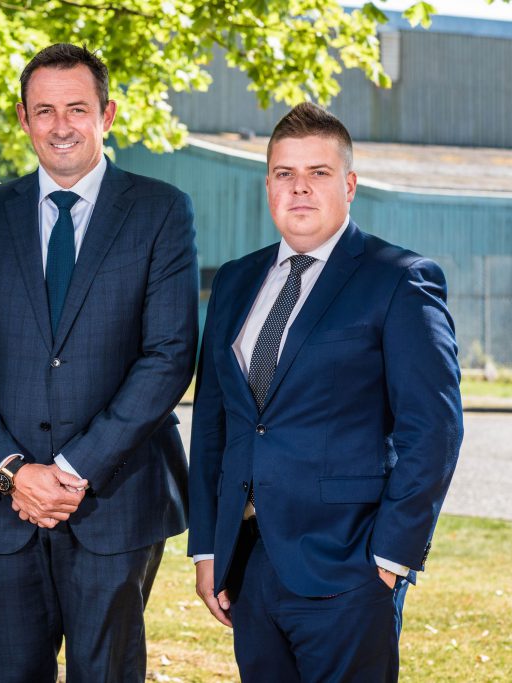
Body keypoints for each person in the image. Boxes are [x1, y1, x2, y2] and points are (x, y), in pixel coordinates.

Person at [0, 43, 198, 683]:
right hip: (0, 511)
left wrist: (73, 470)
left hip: (115, 504)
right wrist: (12, 472)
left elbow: (168, 356)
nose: (60, 125)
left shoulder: (161, 210)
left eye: (77, 108)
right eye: (44, 110)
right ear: (23, 119)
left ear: (107, 115)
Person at [189, 102, 463, 681]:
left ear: (350, 185)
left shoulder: (399, 279)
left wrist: (390, 558)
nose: (300, 188)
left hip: (349, 565)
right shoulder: (235, 280)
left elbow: (434, 430)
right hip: (247, 564)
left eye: (318, 172)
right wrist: (208, 548)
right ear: (268, 186)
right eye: (285, 173)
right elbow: (214, 421)